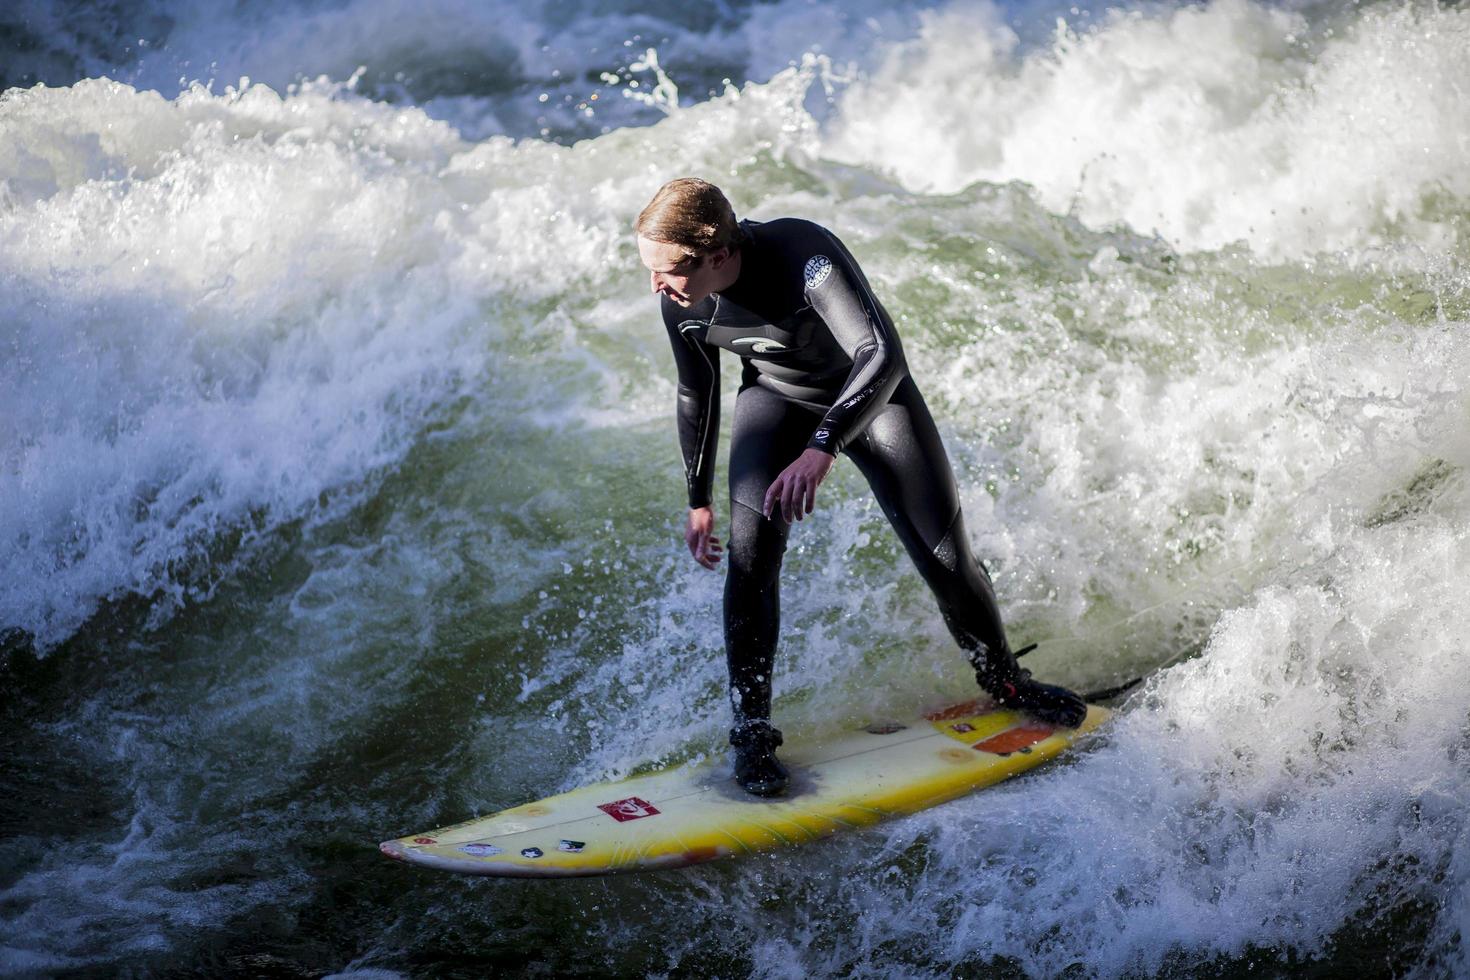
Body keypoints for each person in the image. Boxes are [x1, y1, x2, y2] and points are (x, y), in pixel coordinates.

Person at [635, 178, 1086, 797]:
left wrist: (823, 447)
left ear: (715, 255)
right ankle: (752, 731)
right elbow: (698, 393)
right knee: (750, 562)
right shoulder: (680, 302)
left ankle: (1006, 681)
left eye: (665, 272)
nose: (655, 286)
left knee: (947, 559)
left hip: (872, 403)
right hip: (775, 401)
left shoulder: (804, 255)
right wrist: (698, 500)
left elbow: (882, 352)